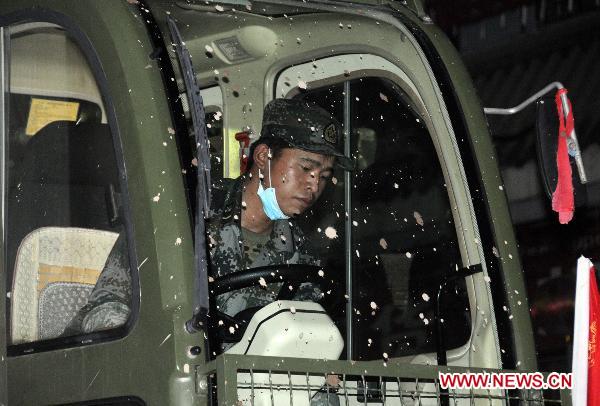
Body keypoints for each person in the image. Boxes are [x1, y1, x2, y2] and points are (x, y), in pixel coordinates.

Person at [208, 98, 353, 319]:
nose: (314, 186)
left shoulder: (301, 251)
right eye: (305, 168)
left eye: (324, 177)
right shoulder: (194, 214)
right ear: (263, 156)